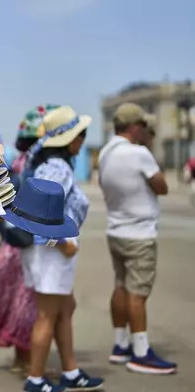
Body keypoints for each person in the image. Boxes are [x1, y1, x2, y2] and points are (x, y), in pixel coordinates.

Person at [20, 105, 104, 392]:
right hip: (51, 252)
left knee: (66, 308)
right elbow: (42, 214)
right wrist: (61, 243)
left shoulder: (49, 165)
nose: (83, 140)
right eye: (81, 134)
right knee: (47, 315)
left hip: (47, 252)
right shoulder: (57, 168)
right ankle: (35, 379)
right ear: (69, 139)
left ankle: (70, 370)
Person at [0, 105, 56, 376]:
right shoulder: (37, 166)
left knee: (20, 302)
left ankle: (23, 360)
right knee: (30, 303)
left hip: (12, 244)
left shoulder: (20, 162)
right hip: (28, 245)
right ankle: (29, 363)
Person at [98, 103, 176, 374]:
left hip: (116, 229)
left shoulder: (106, 152)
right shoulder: (139, 153)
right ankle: (141, 352)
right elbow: (162, 186)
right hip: (139, 233)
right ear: (135, 127)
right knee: (138, 293)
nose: (146, 131)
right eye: (143, 127)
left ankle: (121, 345)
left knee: (121, 287)